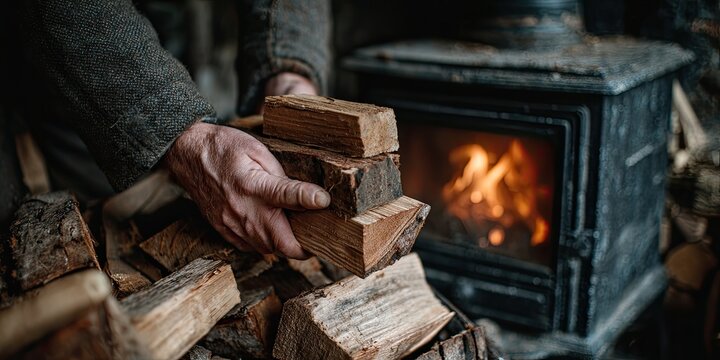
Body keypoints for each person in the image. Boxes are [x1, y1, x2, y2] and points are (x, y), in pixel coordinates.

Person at [1, 0, 331, 259]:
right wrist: (182, 136)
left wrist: (289, 71)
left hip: (160, 19)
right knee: (84, 220)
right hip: (55, 29)